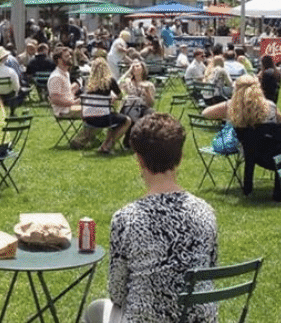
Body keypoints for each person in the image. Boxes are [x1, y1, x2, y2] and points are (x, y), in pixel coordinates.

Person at [81, 113, 217, 323]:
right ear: (180, 157)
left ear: (139, 159)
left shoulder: (126, 219)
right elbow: (210, 271)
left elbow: (117, 292)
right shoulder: (205, 212)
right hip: (198, 319)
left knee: (95, 310)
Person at [79, 58, 130, 154]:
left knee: (114, 119)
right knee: (126, 120)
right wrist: (114, 97)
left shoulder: (88, 82)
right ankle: (109, 145)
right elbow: (120, 96)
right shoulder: (110, 81)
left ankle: (104, 145)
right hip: (104, 118)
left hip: (88, 118)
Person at [47, 47, 83, 119]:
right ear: (59, 60)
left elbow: (66, 93)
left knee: (95, 108)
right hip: (65, 111)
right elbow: (55, 99)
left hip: (71, 108)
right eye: (67, 56)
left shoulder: (65, 73)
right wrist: (73, 103)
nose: (70, 57)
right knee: (94, 111)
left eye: (70, 55)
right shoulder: (56, 77)